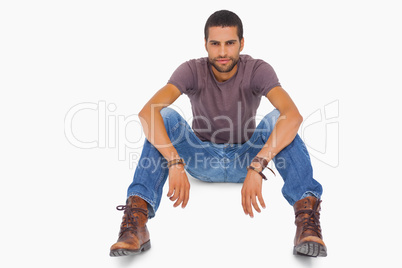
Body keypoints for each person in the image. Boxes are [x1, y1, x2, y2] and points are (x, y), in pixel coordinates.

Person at [110, 10, 327, 258]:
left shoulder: (258, 69)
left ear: (241, 43)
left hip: (247, 157)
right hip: (200, 157)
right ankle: (136, 223)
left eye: (230, 43)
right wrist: (173, 160)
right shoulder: (191, 69)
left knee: (279, 118)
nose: (222, 52)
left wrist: (258, 165)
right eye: (215, 44)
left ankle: (306, 223)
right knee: (164, 116)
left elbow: (293, 115)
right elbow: (147, 112)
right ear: (206, 45)